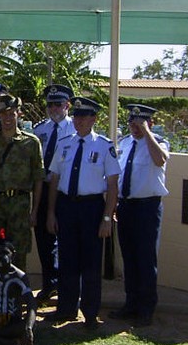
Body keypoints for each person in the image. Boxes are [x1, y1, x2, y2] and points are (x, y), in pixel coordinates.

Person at [46, 97, 121, 329]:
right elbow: (55, 179)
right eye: (76, 116)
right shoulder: (64, 143)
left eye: (83, 116)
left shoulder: (104, 145)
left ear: (93, 119)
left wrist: (107, 218)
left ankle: (90, 313)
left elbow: (112, 185)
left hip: (91, 208)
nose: (78, 120)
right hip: (66, 206)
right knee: (67, 260)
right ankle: (66, 309)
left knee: (90, 263)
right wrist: (50, 213)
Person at [109, 104, 170, 328]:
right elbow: (118, 175)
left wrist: (147, 133)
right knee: (130, 258)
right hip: (126, 207)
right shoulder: (124, 143)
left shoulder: (158, 143)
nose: (135, 128)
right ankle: (131, 304)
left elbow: (160, 160)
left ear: (149, 123)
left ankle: (146, 309)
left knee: (146, 259)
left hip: (147, 208)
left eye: (140, 123)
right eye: (132, 123)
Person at [0, 94, 43, 269]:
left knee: (19, 250)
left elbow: (38, 178)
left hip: (19, 203)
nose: (8, 118)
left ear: (18, 114)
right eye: (4, 114)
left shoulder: (31, 143)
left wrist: (34, 210)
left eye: (11, 114)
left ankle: (16, 292)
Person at [31, 84, 75, 303]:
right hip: (44, 188)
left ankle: (66, 287)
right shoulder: (40, 130)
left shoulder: (75, 130)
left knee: (66, 240)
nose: (53, 108)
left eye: (58, 104)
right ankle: (49, 284)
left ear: (67, 105)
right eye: (50, 104)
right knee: (43, 239)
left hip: (66, 191)